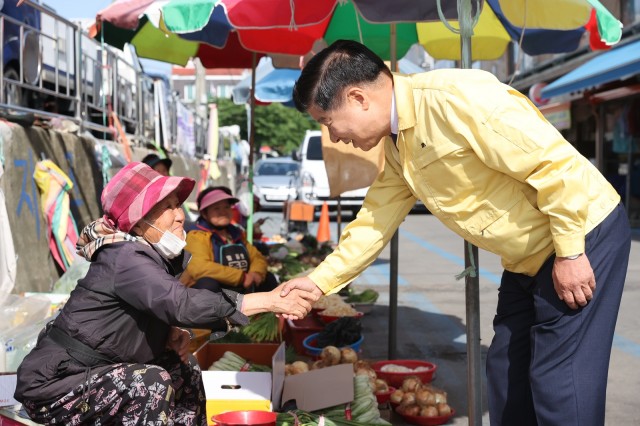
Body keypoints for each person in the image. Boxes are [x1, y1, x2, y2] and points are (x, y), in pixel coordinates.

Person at [281, 40, 631, 426]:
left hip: (579, 233)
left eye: (327, 122)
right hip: (528, 256)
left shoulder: (458, 98)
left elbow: (554, 167)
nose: (333, 136)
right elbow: (373, 224)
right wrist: (316, 284)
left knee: (560, 381)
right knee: (505, 371)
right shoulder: (398, 146)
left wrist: (569, 253)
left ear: (357, 97)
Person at [14, 162, 312, 425]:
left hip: (97, 371)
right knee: (151, 382)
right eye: (167, 207)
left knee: (185, 369)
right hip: (56, 386)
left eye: (177, 205)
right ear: (140, 221)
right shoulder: (124, 255)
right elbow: (177, 302)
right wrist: (267, 300)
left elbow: (147, 309)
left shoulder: (145, 254)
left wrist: (170, 331)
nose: (180, 215)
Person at [182, 186, 277, 293]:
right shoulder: (197, 235)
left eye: (226, 207)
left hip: (237, 286)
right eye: (216, 208)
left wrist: (256, 273)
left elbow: (257, 257)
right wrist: (242, 277)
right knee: (207, 285)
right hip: (214, 289)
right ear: (204, 213)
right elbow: (199, 267)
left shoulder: (236, 233)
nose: (223, 212)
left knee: (269, 278)